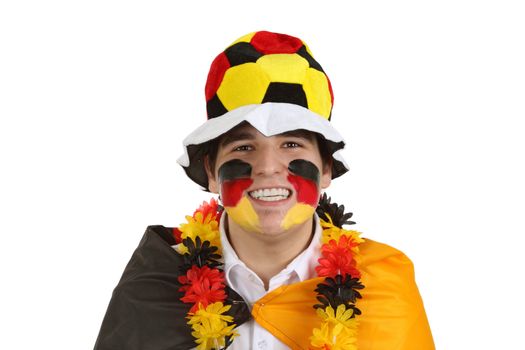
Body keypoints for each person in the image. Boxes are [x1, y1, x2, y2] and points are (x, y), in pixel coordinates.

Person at [94, 31, 434, 350]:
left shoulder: (383, 287)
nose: (268, 166)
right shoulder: (155, 285)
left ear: (326, 168)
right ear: (211, 173)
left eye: (291, 144)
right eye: (243, 148)